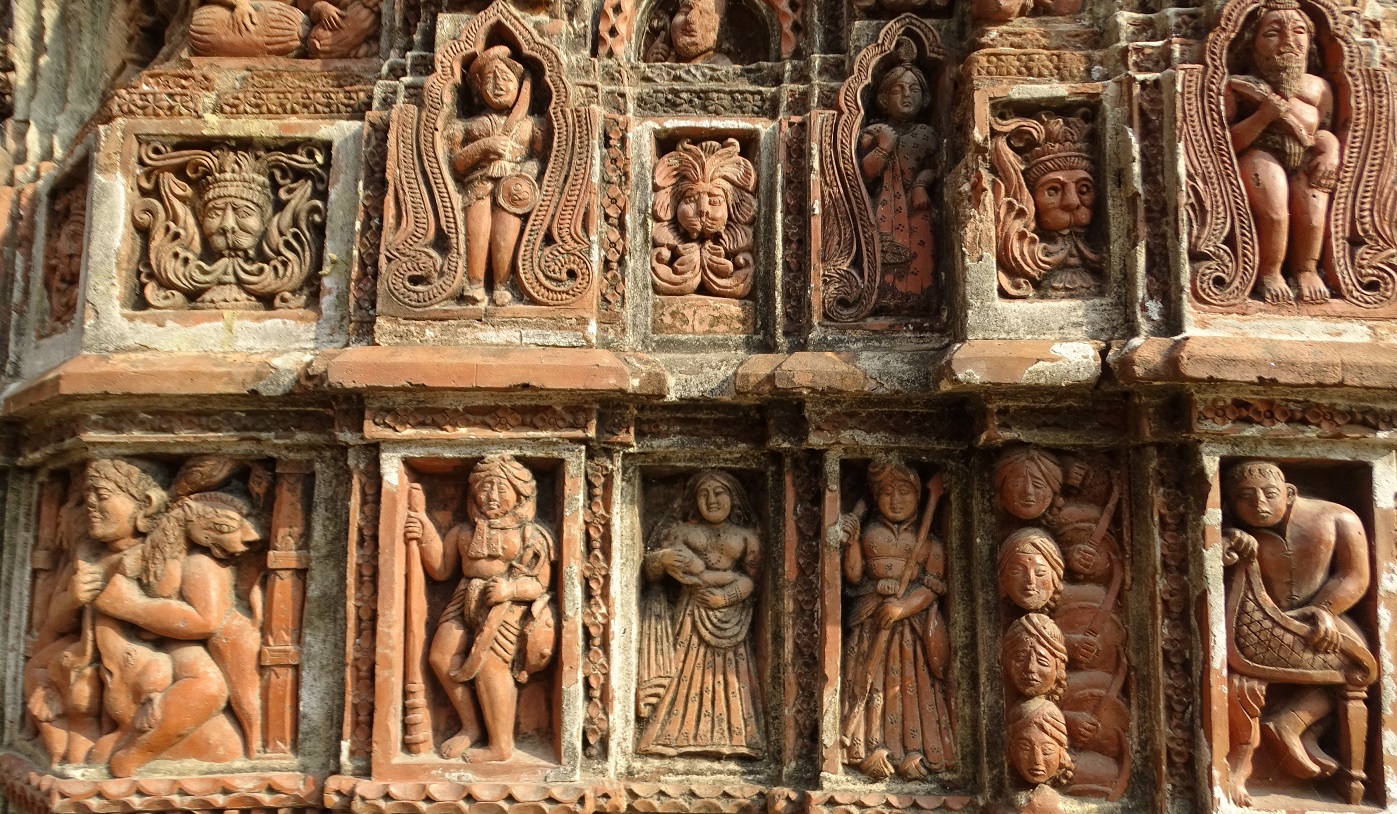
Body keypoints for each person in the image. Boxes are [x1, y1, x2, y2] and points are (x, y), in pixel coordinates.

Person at [1221, 460, 1376, 805]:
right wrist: (1227, 541)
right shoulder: (1237, 530)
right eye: (1245, 497)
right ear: (1230, 503)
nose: (1259, 504)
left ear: (1289, 493)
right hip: (1261, 622)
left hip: (1321, 617)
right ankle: (1241, 765)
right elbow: (1211, 552)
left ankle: (1292, 723)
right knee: (1239, 681)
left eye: (1269, 494)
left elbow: (1354, 576)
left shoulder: (1338, 518)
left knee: (1360, 665)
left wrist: (1324, 609)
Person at [403, 455, 557, 761]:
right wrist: (424, 531)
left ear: (520, 495)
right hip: (465, 599)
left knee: (491, 670)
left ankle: (500, 745)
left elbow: (540, 584)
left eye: (501, 489)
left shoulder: (529, 535)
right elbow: (441, 570)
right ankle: (471, 726)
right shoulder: (463, 532)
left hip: (506, 606)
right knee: (440, 657)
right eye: (484, 489)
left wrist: (510, 589)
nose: (491, 496)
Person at [839, 457, 954, 779]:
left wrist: (903, 607)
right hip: (871, 622)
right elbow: (853, 576)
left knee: (908, 687)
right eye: (887, 492)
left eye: (904, 491)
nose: (896, 500)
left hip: (909, 631)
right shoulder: (869, 534)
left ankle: (913, 751)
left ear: (918, 494)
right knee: (867, 680)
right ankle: (867, 745)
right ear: (875, 496)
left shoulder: (929, 543)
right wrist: (852, 543)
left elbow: (932, 587)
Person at [637, 470, 764, 757]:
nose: (712, 500)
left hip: (730, 616)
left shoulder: (747, 537)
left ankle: (737, 738)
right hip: (692, 611)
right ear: (694, 500)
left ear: (734, 498)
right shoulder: (681, 532)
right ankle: (672, 735)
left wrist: (726, 597)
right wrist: (662, 559)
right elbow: (651, 573)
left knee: (732, 676)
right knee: (685, 669)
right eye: (703, 494)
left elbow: (753, 582)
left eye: (719, 493)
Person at [1226, 0, 1338, 304]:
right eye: (1272, 34)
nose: (1289, 41)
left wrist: (1330, 151)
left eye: (1299, 31)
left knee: (1313, 217)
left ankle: (1305, 269)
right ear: (1251, 44)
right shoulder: (1241, 86)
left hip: (1305, 155)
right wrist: (1263, 116)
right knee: (1275, 213)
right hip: (1261, 151)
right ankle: (1270, 272)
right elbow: (1228, 142)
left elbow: (1325, 128)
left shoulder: (1319, 87)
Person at [449, 45, 547, 307]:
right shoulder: (469, 127)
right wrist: (484, 147)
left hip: (512, 189)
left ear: (519, 86)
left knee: (507, 226)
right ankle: (475, 282)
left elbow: (538, 161)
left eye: (505, 78)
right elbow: (456, 164)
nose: (498, 85)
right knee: (477, 227)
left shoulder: (530, 125)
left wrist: (525, 172)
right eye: (489, 80)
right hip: (478, 185)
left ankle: (502, 283)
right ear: (478, 90)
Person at [860, 38, 936, 308]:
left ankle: (917, 301)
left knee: (921, 250)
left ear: (924, 98)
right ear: (883, 99)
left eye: (914, 89)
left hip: (916, 208)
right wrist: (883, 147)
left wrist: (921, 185)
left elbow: (933, 167)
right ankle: (884, 298)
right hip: (883, 209)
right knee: (883, 254)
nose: (906, 96)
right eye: (898, 90)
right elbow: (865, 174)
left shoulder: (927, 135)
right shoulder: (873, 133)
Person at [644, 0, 732, 65]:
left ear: (719, 29)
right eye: (684, 12)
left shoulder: (722, 66)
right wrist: (652, 67)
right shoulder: (668, 59)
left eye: (703, 15)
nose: (691, 19)